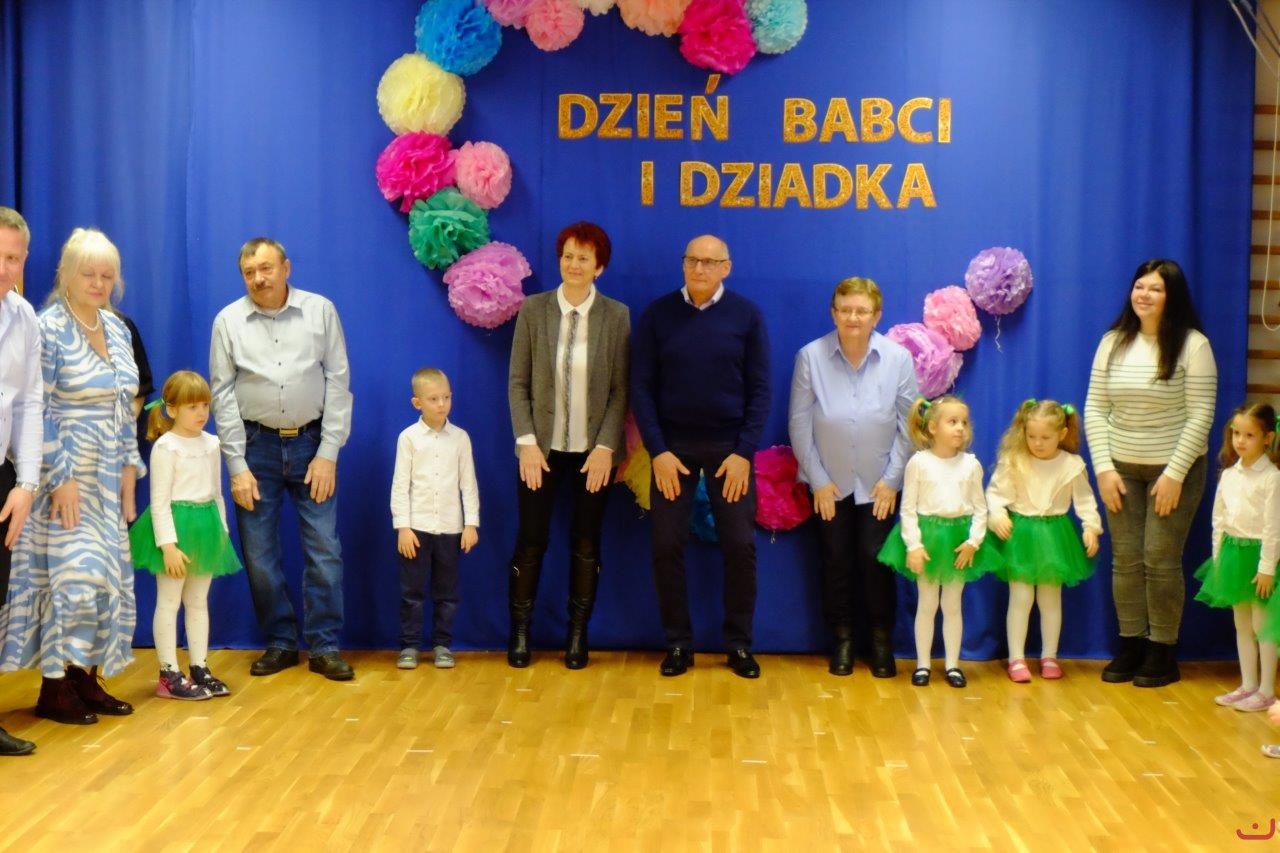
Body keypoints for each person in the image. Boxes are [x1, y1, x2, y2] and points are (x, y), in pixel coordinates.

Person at [0, 227, 143, 725]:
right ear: (66, 274)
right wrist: (59, 476)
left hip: (106, 474)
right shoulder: (48, 327)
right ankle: (54, 686)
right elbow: (35, 408)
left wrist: (129, 470)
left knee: (104, 578)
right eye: (88, 274)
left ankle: (84, 677)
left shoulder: (117, 329)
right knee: (71, 579)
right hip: (62, 475)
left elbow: (125, 406)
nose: (98, 283)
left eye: (106, 275)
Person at [209, 237, 354, 681]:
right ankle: (281, 642)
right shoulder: (228, 321)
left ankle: (325, 646)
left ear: (286, 268)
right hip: (256, 448)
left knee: (325, 549)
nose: (259, 278)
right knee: (259, 554)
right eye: (249, 272)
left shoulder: (320, 311)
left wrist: (328, 452)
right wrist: (236, 465)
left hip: (312, 444)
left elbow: (339, 381)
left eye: (266, 268)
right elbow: (222, 395)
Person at [631, 234, 770, 679]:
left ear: (726, 267)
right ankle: (678, 643)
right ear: (683, 264)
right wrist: (658, 450)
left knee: (740, 546)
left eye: (710, 262)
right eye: (692, 260)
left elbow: (761, 389)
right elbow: (641, 388)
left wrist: (744, 452)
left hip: (730, 448)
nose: (700, 269)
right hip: (672, 449)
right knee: (665, 544)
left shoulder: (747, 315)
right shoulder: (658, 315)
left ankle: (739, 645)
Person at [1084, 259, 1217, 687]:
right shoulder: (1112, 342)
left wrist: (1175, 473)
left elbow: (1201, 415)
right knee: (1126, 560)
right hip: (1120, 469)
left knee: (1159, 559)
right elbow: (1095, 408)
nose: (1144, 295)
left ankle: (1162, 650)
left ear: (1171, 297)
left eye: (1155, 289)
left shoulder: (1193, 345)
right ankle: (1131, 645)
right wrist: (1103, 469)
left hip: (1174, 470)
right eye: (1139, 286)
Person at [506, 222, 629, 669]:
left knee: (586, 543)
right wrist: (526, 442)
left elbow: (620, 390)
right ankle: (520, 633)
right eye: (568, 256)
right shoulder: (533, 310)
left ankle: (578, 636)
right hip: (540, 453)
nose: (574, 265)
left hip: (592, 456)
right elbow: (518, 383)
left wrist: (606, 447)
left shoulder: (617, 316)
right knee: (531, 541)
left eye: (584, 258)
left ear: (600, 267)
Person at [788, 277, 917, 677]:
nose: (853, 318)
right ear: (834, 313)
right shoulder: (810, 357)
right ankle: (842, 639)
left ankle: (880, 641)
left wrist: (893, 479)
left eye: (862, 311)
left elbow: (909, 425)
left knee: (876, 561)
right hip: (829, 484)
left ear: (877, 315)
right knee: (836, 561)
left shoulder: (898, 359)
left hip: (880, 485)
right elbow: (799, 423)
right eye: (845, 310)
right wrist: (818, 480)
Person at [128, 370, 243, 701]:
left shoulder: (212, 444)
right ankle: (168, 673)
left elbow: (217, 494)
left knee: (197, 601)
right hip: (174, 533)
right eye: (192, 406)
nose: (201, 413)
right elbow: (159, 501)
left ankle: (199, 666)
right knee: (169, 601)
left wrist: (221, 533)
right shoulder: (166, 447)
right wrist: (168, 546)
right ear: (172, 409)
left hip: (205, 529)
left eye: (205, 405)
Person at [877, 396, 1001, 688]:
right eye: (952, 422)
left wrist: (973, 542)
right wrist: (914, 545)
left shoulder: (971, 465)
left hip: (958, 543)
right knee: (927, 603)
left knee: (953, 604)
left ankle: (953, 665)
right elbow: (908, 509)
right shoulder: (919, 463)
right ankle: (922, 665)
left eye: (964, 422)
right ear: (933, 427)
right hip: (928, 540)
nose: (960, 428)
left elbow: (980, 508)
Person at [986, 399, 1102, 683]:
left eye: (1045, 437)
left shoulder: (1071, 465)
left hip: (1054, 536)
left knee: (1051, 599)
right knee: (1021, 598)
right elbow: (995, 495)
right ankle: (1016, 658)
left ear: (1062, 434)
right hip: (1021, 535)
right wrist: (997, 515)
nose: (1037, 443)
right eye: (1032, 436)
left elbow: (1085, 500)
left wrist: (1091, 527)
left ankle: (1049, 656)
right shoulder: (1014, 460)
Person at [1192, 402, 1279, 712]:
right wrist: (1218, 560)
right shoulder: (1229, 474)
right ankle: (1248, 684)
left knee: (1262, 625)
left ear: (1268, 438)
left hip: (1259, 560)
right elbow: (1219, 521)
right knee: (1242, 623)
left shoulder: (1272, 478)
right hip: (1233, 555)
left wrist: (1267, 568)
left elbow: (1273, 527)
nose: (1240, 441)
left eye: (1249, 435)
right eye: (1236, 433)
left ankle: (1267, 691)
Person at [391, 368, 479, 670]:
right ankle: (410, 646)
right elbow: (400, 485)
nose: (442, 404)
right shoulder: (408, 438)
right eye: (433, 399)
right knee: (412, 592)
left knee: (447, 593)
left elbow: (468, 483)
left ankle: (442, 644)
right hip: (416, 529)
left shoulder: (460, 438)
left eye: (446, 397)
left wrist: (470, 524)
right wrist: (403, 527)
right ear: (417, 403)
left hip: (451, 529)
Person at [0, 207, 41, 754]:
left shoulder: (24, 317)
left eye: (12, 258)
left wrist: (26, 483)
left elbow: (31, 403)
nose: (4, 268)